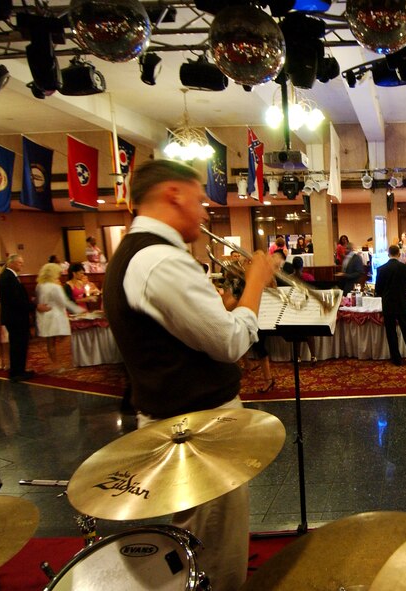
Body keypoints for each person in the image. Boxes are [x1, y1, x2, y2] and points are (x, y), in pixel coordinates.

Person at [102, 159, 274, 591]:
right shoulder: (159, 260)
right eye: (199, 199)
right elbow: (231, 343)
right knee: (214, 553)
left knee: (202, 537)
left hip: (184, 419)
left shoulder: (141, 254)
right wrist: (256, 280)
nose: (204, 212)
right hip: (199, 428)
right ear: (173, 194)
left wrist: (222, 305)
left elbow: (198, 334)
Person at [0, 254, 50, 382]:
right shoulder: (7, 277)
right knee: (18, 345)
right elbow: (15, 300)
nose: (22, 265)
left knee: (20, 344)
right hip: (15, 317)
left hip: (16, 316)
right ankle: (17, 373)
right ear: (11, 263)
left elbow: (18, 297)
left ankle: (19, 370)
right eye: (19, 263)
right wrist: (35, 306)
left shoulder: (10, 276)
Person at [375, 245, 406, 366]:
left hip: (388, 304)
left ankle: (396, 359)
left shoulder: (381, 269)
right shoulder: (404, 267)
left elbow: (378, 291)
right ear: (398, 254)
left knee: (391, 333)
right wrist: (402, 288)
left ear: (388, 254)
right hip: (402, 303)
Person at [35, 262, 85, 372]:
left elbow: (39, 301)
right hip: (56, 315)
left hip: (45, 315)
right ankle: (60, 363)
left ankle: (55, 363)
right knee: (66, 338)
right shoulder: (54, 286)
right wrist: (79, 310)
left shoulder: (40, 285)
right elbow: (64, 302)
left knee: (50, 341)